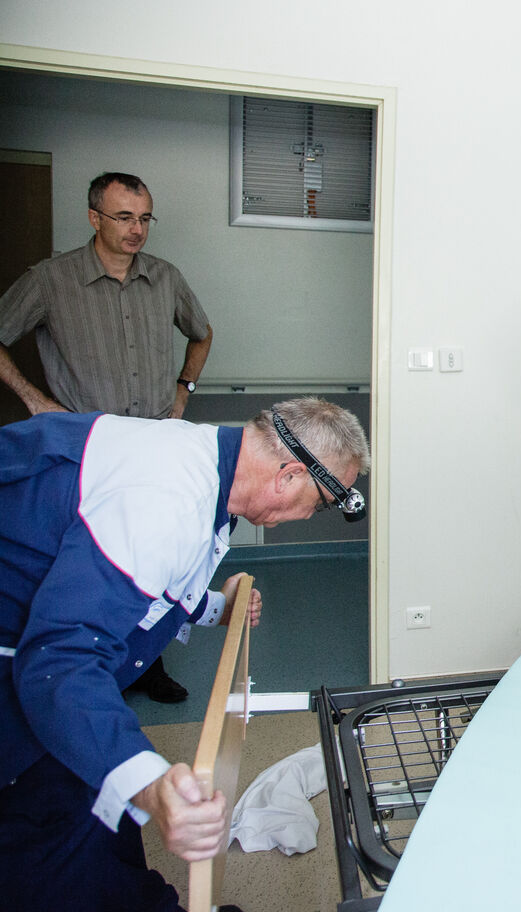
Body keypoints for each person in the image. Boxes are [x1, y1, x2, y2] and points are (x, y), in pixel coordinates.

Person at [0, 396, 370, 912]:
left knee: (104, 802)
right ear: (289, 476)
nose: (311, 515)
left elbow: (155, 575)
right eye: (323, 502)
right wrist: (150, 785)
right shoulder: (166, 498)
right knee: (52, 829)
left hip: (38, 637)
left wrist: (218, 607)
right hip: (36, 660)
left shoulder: (205, 462)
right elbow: (60, 662)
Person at [0, 171, 216, 703]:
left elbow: (202, 333)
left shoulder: (165, 277)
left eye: (144, 218)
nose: (136, 229)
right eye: (123, 217)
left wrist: (183, 389)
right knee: (82, 561)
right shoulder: (50, 280)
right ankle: (74, 672)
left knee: (150, 554)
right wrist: (33, 400)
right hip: (87, 448)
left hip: (154, 445)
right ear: (94, 217)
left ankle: (146, 663)